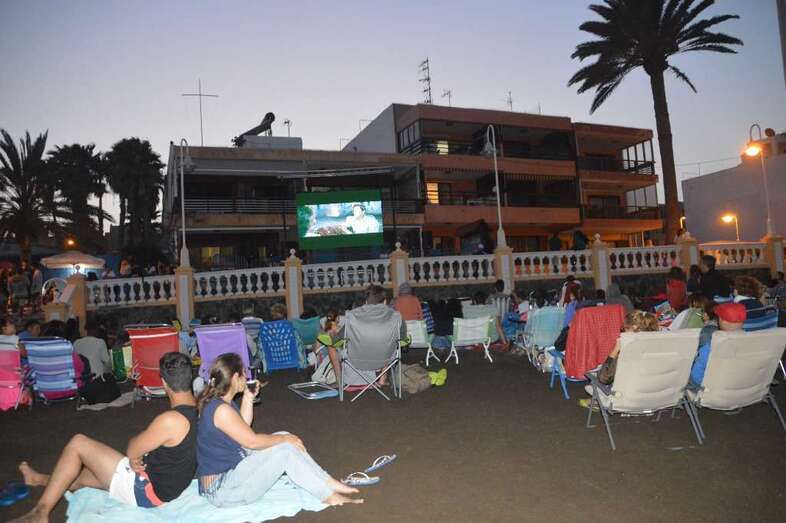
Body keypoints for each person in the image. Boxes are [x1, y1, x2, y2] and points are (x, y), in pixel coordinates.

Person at [12, 353, 198, 521]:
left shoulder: (171, 420)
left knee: (78, 443)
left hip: (145, 490)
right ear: (190, 377)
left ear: (164, 382)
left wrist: (136, 455)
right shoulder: (199, 409)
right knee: (80, 476)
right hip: (165, 486)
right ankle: (37, 479)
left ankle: (40, 512)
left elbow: (132, 449)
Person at [196, 353, 363, 508]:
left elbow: (242, 429)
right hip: (223, 490)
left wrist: (248, 397)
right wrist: (284, 441)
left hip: (232, 473)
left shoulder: (221, 402)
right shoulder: (221, 410)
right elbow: (251, 441)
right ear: (234, 378)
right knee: (285, 450)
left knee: (283, 435)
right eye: (243, 373)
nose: (246, 377)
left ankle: (327, 481)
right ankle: (327, 495)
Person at [325, 285, 406, 386]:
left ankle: (339, 381)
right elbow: (402, 339)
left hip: (356, 359)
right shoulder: (396, 316)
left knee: (331, 346)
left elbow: (336, 340)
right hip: (385, 358)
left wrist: (332, 335)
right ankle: (382, 379)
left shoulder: (353, 316)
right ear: (385, 301)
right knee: (389, 343)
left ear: (366, 302)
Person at [592, 310, 660, 387]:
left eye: (625, 328)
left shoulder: (628, 349)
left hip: (629, 391)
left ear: (633, 327)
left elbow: (604, 378)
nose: (623, 331)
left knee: (597, 377)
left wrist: (615, 350)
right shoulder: (660, 345)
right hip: (656, 389)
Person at [689, 303, 745, 387]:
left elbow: (696, 377)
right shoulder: (753, 341)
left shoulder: (712, 344)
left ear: (721, 320)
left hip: (711, 389)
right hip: (741, 386)